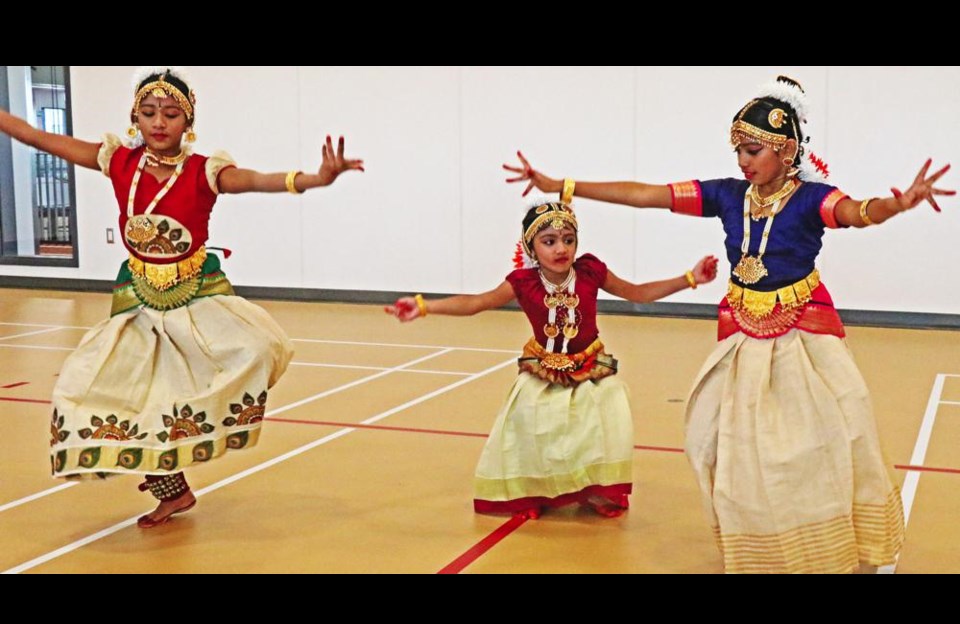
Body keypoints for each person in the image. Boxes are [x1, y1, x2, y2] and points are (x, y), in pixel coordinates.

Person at [503, 75, 954, 572]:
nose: (743, 161)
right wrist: (564, 187)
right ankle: (760, 540)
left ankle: (829, 540)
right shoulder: (726, 195)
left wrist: (899, 204)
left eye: (754, 150)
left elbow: (857, 211)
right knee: (721, 441)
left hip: (803, 335)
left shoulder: (812, 199)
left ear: (787, 151)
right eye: (738, 150)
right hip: (742, 335)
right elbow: (646, 194)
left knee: (830, 432)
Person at [0, 66, 364, 528]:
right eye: (149, 112)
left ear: (187, 123)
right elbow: (37, 137)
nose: (159, 122)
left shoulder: (204, 172)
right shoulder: (119, 162)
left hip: (195, 297)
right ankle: (173, 490)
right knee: (91, 385)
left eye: (171, 114)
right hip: (137, 298)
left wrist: (316, 178)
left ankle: (175, 485)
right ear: (135, 117)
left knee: (246, 355)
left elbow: (258, 180)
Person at [386, 196, 717, 519]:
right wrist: (425, 306)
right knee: (532, 426)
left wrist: (689, 279)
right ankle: (537, 489)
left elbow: (637, 293)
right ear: (532, 248)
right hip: (543, 368)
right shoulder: (523, 282)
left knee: (604, 422)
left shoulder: (590, 271)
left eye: (568, 239)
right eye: (549, 241)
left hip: (590, 367)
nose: (561, 248)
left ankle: (594, 489)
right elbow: (478, 302)